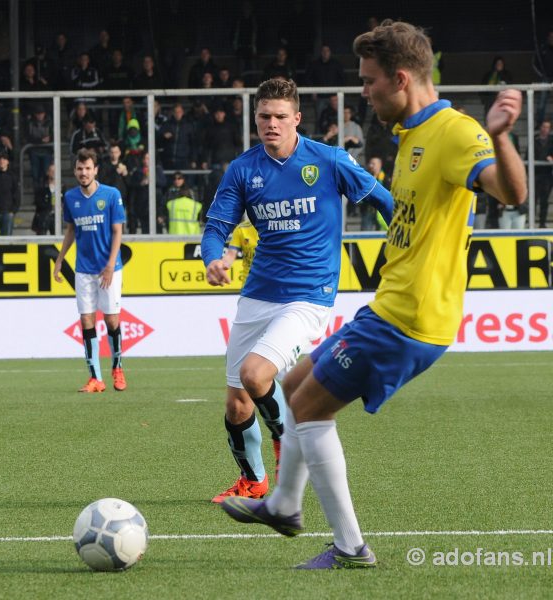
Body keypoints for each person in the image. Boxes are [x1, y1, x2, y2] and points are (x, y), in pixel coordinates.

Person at [220, 20, 527, 570]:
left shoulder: (457, 133)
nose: (363, 93)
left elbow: (511, 191)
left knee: (309, 406)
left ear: (401, 78)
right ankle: (285, 505)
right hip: (386, 308)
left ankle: (350, 547)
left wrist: (501, 136)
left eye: (368, 82)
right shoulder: (412, 135)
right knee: (293, 384)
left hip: (410, 320)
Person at [200, 77, 393, 505]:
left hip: (310, 293)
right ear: (255, 119)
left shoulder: (329, 160)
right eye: (264, 116)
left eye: (280, 117)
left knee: (255, 376)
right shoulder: (243, 169)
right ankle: (253, 481)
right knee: (237, 405)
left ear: (297, 119)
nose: (272, 124)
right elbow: (215, 228)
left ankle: (287, 439)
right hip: (259, 292)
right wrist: (213, 257)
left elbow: (385, 202)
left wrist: (411, 241)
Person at [53, 149, 126, 393]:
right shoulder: (70, 197)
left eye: (88, 168)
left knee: (111, 319)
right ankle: (96, 377)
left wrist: (110, 265)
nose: (83, 173)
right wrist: (60, 259)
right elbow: (71, 230)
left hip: (109, 268)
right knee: (86, 320)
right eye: (79, 169)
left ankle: (117, 368)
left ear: (95, 170)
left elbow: (118, 231)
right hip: (83, 269)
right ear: (75, 171)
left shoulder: (111, 194)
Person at [531, 119, 553, 227]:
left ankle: (542, 223)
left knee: (544, 201)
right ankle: (532, 222)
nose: (545, 129)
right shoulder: (534, 140)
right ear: (540, 128)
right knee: (534, 200)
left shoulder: (552, 141)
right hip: (535, 174)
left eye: (547, 127)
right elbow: (528, 156)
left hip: (547, 175)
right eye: (543, 127)